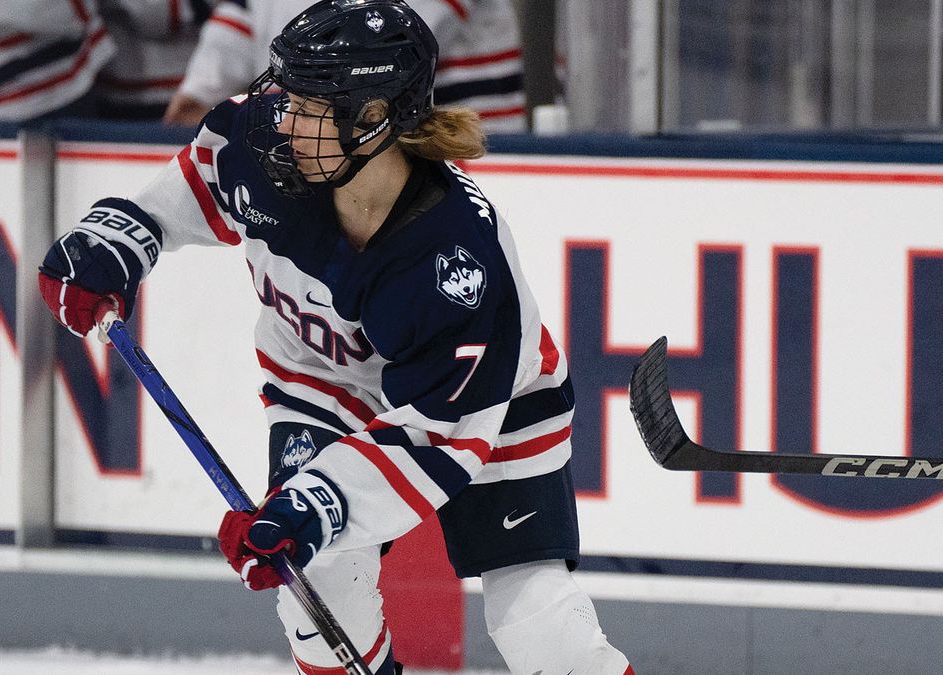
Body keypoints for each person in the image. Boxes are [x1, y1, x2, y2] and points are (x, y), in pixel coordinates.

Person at [38, 1, 631, 673]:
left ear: (375, 119)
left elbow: (436, 437)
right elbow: (195, 184)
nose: (279, 117)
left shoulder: (454, 262)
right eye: (283, 92)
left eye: (307, 103)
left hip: (487, 404)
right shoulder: (269, 146)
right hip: (321, 379)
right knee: (317, 592)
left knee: (540, 623)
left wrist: (314, 504)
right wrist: (117, 240)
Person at [162, 0, 526, 133]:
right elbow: (243, 19)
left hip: (467, 164)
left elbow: (391, 44)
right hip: (330, 153)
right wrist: (198, 97)